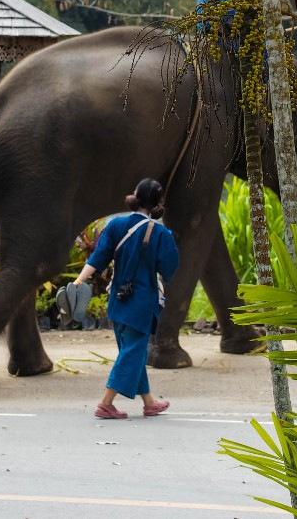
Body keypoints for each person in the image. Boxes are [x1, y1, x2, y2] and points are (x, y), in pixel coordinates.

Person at [74, 178, 180, 420]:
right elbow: (169, 268)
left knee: (132, 352)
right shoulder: (161, 234)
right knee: (133, 352)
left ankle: (149, 403)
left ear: (135, 195)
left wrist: (78, 282)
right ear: (157, 204)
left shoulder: (115, 226)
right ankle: (106, 404)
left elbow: (97, 258)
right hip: (141, 303)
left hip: (118, 300)